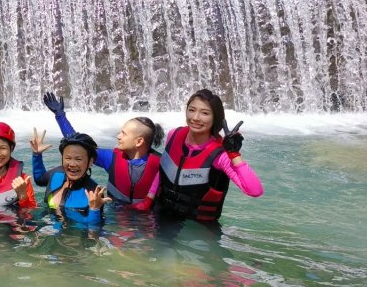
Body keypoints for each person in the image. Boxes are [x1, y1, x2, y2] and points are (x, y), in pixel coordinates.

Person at [34, 92, 163, 210]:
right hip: (116, 217)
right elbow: (79, 143)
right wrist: (60, 115)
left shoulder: (162, 163)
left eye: (123, 134)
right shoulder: (111, 158)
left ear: (139, 141)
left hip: (147, 219)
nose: (118, 136)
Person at [157, 89, 263, 222]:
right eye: (191, 110)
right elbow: (160, 175)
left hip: (197, 230)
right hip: (161, 217)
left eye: (205, 113)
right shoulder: (174, 135)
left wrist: (234, 154)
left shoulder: (219, 155)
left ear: (215, 118)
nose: (195, 118)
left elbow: (255, 190)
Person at [35, 131, 112, 226]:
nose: (72, 164)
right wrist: (36, 155)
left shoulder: (93, 192)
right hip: (48, 228)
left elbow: (93, 231)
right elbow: (39, 179)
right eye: (68, 158)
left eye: (78, 159)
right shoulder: (56, 174)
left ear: (90, 161)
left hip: (73, 238)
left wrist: (94, 209)